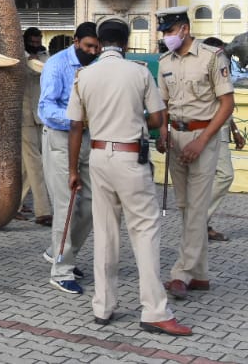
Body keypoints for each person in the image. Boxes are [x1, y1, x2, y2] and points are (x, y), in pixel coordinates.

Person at [68, 18, 191, 336]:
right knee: (145, 231)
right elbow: (156, 117)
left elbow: (75, 126)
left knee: (106, 233)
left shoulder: (85, 75)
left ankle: (103, 306)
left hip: (97, 156)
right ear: (125, 42)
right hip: (129, 158)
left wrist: (71, 170)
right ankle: (154, 310)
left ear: (100, 41)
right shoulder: (138, 72)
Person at [155, 6, 235, 301]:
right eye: (163, 33)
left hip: (204, 136)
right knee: (186, 206)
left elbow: (227, 104)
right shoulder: (164, 62)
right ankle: (200, 274)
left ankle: (182, 273)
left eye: (169, 31)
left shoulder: (212, 57)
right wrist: (163, 132)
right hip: (175, 137)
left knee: (197, 206)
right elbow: (162, 103)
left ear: (184, 29)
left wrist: (201, 142)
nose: (166, 37)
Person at [38, 21, 101, 294]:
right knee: (67, 204)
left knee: (91, 204)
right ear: (76, 42)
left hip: (89, 138)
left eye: (97, 47)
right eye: (88, 46)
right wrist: (77, 118)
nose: (93, 50)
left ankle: (60, 251)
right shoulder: (56, 65)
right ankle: (61, 271)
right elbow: (46, 108)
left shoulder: (99, 66)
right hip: (61, 137)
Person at [0, 26, 51, 220]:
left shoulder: (46, 57)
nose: (35, 45)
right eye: (32, 42)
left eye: (38, 41)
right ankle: (43, 211)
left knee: (25, 163)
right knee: (35, 162)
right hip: (23, 115)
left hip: (39, 115)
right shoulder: (18, 58)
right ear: (24, 41)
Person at [202, 37, 246, 242]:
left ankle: (202, 223)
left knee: (213, 178)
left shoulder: (221, 64)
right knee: (225, 175)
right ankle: (198, 221)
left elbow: (226, 103)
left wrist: (235, 130)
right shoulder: (207, 68)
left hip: (222, 129)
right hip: (212, 130)